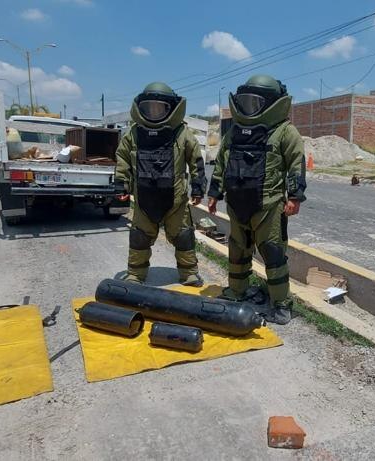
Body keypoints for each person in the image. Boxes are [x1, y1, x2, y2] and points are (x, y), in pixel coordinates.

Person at [208, 75, 306, 324]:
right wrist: (214, 194)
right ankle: (236, 292)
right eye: (246, 102)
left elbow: (296, 164)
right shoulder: (234, 133)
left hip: (269, 206)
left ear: (272, 103)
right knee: (237, 251)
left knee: (273, 254)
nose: (250, 108)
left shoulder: (285, 131)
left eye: (256, 103)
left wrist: (294, 197)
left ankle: (281, 305)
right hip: (236, 204)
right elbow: (222, 163)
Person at [115, 82, 206, 286]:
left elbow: (196, 161)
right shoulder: (134, 133)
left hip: (176, 202)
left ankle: (189, 273)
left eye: (160, 108)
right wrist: (121, 184)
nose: (154, 112)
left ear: (170, 109)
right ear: (141, 108)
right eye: (149, 108)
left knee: (183, 237)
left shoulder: (181, 133)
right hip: (144, 201)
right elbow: (122, 159)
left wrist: (198, 188)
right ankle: (136, 274)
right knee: (139, 238)